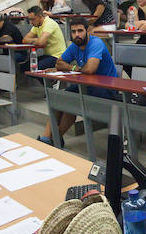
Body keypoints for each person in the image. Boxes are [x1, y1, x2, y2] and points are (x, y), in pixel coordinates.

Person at [38, 18, 119, 146]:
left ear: (87, 31)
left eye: (80, 31)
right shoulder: (75, 46)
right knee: (59, 98)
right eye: (73, 31)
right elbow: (59, 63)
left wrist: (72, 67)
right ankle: (47, 138)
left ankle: (55, 139)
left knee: (70, 100)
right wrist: (75, 68)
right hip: (86, 85)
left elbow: (90, 69)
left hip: (106, 89)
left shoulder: (96, 43)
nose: (77, 35)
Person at [21, 5, 67, 71]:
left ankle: (48, 81)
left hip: (58, 57)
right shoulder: (37, 26)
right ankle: (45, 81)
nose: (31, 22)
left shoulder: (49, 23)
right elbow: (24, 40)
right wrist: (37, 40)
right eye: (30, 20)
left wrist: (36, 41)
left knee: (36, 68)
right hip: (48, 56)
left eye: (33, 19)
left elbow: (41, 43)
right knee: (24, 67)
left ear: (40, 16)